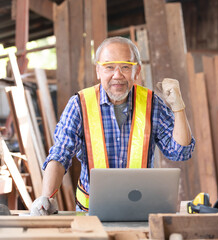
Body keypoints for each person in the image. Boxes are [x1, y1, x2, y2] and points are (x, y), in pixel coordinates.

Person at [30, 36, 195, 215]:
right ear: (98, 71)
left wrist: (178, 107)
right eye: (109, 67)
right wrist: (46, 198)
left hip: (141, 211)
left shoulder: (152, 104)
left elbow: (181, 152)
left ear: (137, 70)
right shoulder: (79, 105)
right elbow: (60, 155)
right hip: (90, 214)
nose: (117, 75)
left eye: (125, 66)